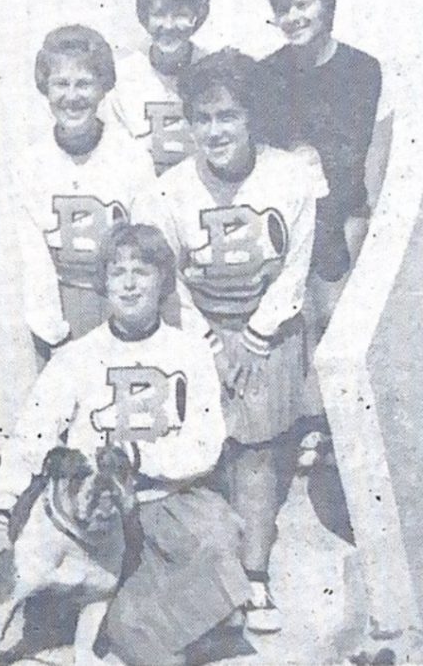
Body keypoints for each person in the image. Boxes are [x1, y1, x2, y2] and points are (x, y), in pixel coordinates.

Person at [0, 223, 250, 664]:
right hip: (99, 515)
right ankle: (147, 625)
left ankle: (185, 616)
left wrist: (139, 457)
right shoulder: (76, 357)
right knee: (143, 642)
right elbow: (31, 436)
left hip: (163, 500)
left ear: (164, 280)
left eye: (142, 271)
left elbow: (206, 444)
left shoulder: (190, 352)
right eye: (117, 272)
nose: (129, 284)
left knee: (218, 531)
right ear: (103, 284)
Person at [133, 48, 328, 635]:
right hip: (199, 328)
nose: (215, 131)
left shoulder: (288, 175)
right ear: (189, 124)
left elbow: (296, 266)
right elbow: (167, 279)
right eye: (203, 119)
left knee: (258, 453)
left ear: (251, 118)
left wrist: (255, 337)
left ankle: (256, 574)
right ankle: (207, 584)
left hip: (268, 327)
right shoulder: (168, 192)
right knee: (200, 453)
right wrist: (209, 347)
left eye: (228, 117)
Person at [260, 0, 382, 338]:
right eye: (282, 9)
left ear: (327, 4)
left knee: (334, 324)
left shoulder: (361, 69)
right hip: (288, 214)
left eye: (302, 4)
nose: (292, 16)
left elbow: (350, 156)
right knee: (289, 326)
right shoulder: (266, 73)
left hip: (339, 211)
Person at [15, 24, 155, 367]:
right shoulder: (30, 165)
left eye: (84, 83)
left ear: (104, 87)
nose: (72, 96)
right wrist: (56, 335)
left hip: (122, 306)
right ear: (45, 88)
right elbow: (35, 262)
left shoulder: (131, 157)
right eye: (61, 84)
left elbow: (150, 248)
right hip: (62, 312)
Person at [108, 0, 211, 175]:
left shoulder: (213, 71)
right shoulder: (122, 77)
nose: (169, 25)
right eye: (159, 14)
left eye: (181, 15)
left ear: (198, 15)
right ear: (145, 16)